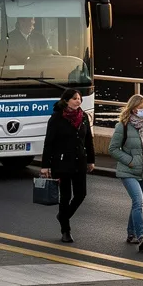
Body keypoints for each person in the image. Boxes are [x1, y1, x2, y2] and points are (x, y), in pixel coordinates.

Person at [109, 94, 143, 251]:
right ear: (133, 109)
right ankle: (141, 236)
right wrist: (130, 161)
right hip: (129, 171)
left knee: (137, 203)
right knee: (138, 202)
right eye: (141, 108)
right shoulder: (123, 125)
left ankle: (131, 234)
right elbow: (113, 149)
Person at [39, 88, 94, 243]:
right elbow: (49, 143)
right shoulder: (56, 118)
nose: (78, 101)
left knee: (81, 194)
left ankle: (63, 216)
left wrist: (91, 160)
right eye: (75, 98)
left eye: (80, 98)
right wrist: (45, 165)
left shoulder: (83, 117)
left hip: (79, 161)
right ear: (67, 100)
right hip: (61, 163)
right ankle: (66, 230)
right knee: (65, 196)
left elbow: (88, 140)